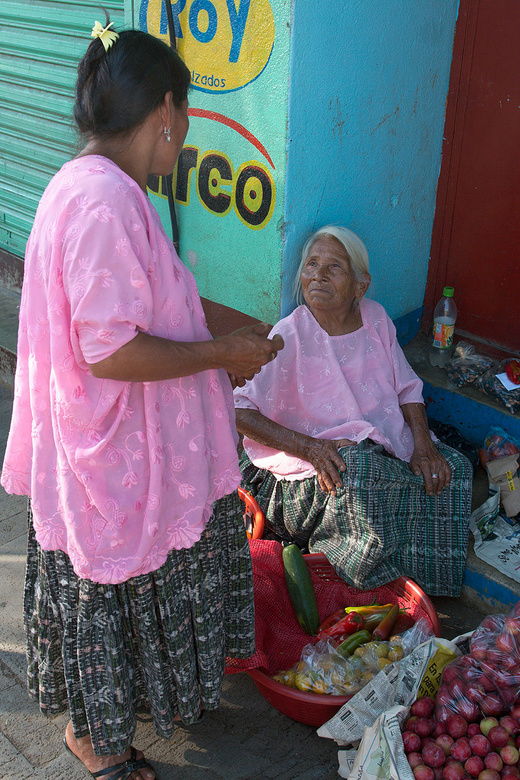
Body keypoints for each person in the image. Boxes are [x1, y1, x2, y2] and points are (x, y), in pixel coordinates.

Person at [0, 20, 283, 780]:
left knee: (123, 581)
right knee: (111, 582)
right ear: (167, 109)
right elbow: (111, 349)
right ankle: (98, 742)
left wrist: (229, 326)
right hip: (112, 458)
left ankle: (126, 715)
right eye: (184, 119)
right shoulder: (104, 204)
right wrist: (222, 355)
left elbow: (153, 304)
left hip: (110, 446)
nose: (184, 138)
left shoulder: (95, 188)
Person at [234, 225, 472, 598]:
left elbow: (408, 387)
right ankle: (367, 584)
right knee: (360, 475)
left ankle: (424, 582)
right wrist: (310, 447)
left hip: (376, 444)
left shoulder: (375, 318)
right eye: (311, 264)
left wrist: (424, 445)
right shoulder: (290, 334)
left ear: (360, 286)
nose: (317, 275)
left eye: (334, 267)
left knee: (453, 467)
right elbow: (240, 411)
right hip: (303, 471)